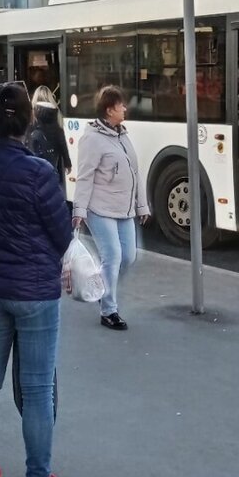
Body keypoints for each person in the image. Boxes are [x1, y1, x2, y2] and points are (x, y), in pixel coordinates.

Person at [0, 81, 78, 477]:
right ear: (30, 121)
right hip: (34, 292)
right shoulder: (38, 172)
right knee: (35, 388)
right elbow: (62, 234)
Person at [72, 85, 150, 331]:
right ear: (109, 110)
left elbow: (134, 173)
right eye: (120, 106)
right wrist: (79, 211)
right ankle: (109, 310)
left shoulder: (122, 135)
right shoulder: (92, 139)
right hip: (100, 208)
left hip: (124, 209)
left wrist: (142, 205)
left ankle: (102, 284)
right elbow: (84, 177)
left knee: (128, 257)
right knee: (113, 256)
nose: (125, 109)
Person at [25, 86, 71, 194]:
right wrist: (67, 162)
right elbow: (61, 141)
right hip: (52, 161)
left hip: (33, 162)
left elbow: (26, 138)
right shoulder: (56, 114)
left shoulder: (31, 114)